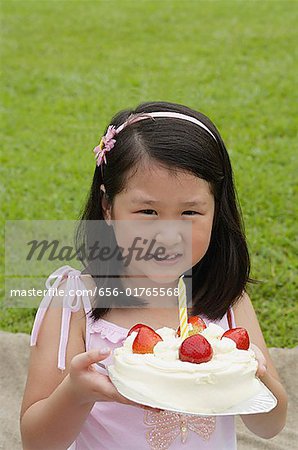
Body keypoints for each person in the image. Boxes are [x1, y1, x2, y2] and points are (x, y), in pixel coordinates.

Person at [20, 101, 287, 450]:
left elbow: (271, 425)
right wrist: (76, 392)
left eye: (190, 211)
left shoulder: (226, 304)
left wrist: (255, 372)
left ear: (215, 212)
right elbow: (36, 443)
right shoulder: (76, 301)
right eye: (147, 211)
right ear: (108, 208)